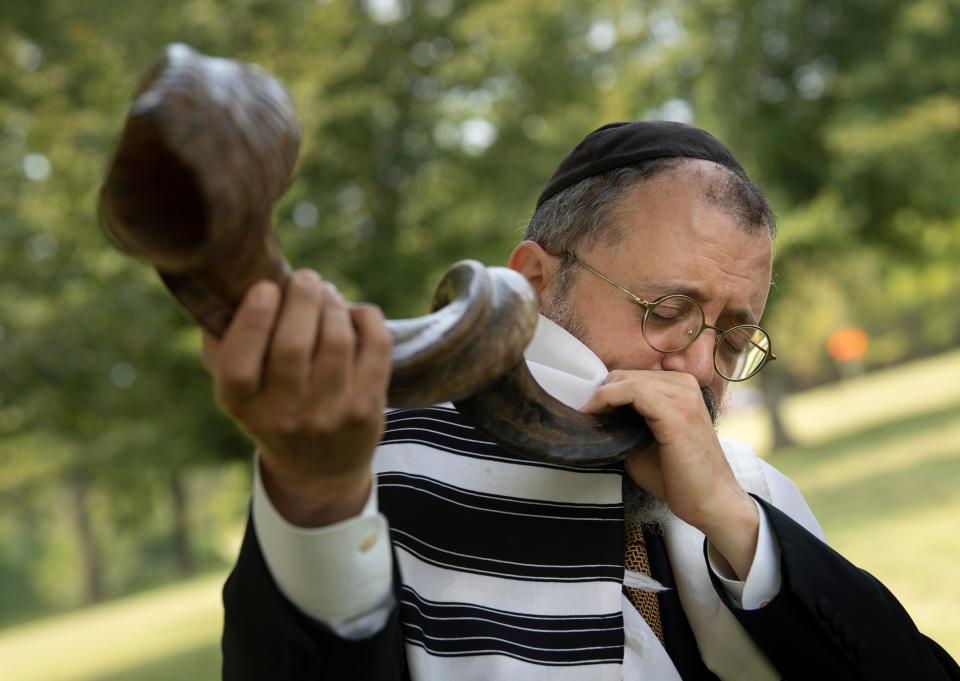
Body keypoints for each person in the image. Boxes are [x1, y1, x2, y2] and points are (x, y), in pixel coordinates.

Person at [206, 121, 960, 680]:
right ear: (534, 281)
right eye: (665, 309)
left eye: (733, 338)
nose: (700, 367)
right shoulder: (372, 466)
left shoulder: (750, 494)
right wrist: (315, 491)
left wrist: (736, 524)